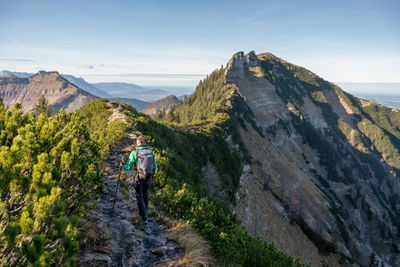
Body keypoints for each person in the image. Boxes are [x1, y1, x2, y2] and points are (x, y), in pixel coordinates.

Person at [122, 135, 157, 224]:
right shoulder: (151, 152)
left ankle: (144, 218)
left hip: (139, 178)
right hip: (149, 177)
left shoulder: (135, 153)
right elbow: (155, 166)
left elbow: (128, 167)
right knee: (145, 195)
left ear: (138, 143)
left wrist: (122, 165)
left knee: (139, 196)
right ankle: (145, 215)